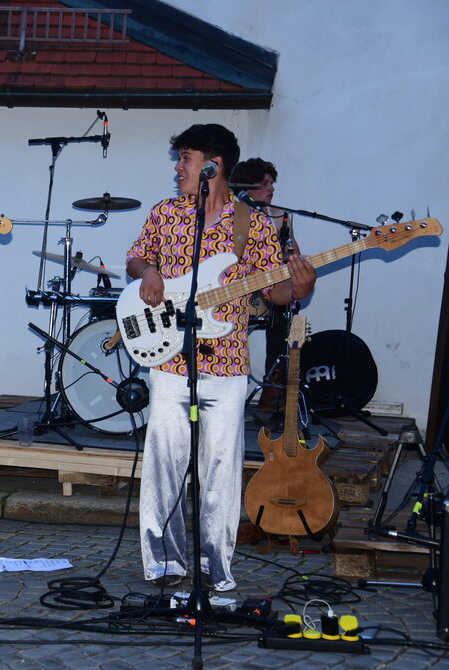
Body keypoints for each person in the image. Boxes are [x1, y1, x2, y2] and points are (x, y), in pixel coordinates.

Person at [125, 124, 316, 591]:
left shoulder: (250, 223)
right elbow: (135, 258)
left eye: (185, 159)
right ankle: (165, 565)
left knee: (220, 475)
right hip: (170, 361)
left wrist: (300, 287)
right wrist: (148, 270)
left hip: (227, 366)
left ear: (214, 166)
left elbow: (275, 291)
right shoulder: (167, 213)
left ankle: (217, 568)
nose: (178, 168)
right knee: (165, 466)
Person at [231, 157, 301, 379]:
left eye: (272, 183)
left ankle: (275, 387)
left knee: (285, 313)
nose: (271, 189)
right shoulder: (229, 213)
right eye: (264, 184)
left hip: (268, 287)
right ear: (246, 187)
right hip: (234, 288)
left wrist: (296, 263)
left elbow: (294, 254)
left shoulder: (279, 215)